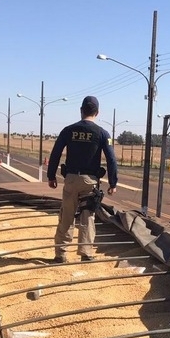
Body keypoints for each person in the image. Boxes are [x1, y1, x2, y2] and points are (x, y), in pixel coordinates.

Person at [47, 95, 118, 262]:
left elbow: (55, 153)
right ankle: (86, 253)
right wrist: (113, 183)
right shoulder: (102, 134)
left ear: (81, 111)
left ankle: (61, 254)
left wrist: (51, 176)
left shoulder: (68, 130)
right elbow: (111, 159)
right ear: (97, 112)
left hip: (71, 179)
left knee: (66, 215)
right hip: (90, 182)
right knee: (88, 215)